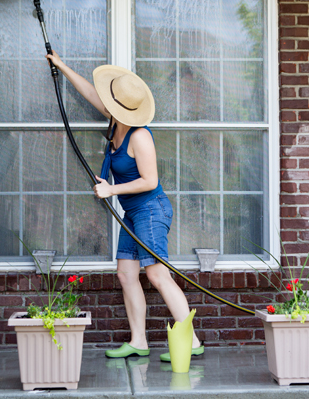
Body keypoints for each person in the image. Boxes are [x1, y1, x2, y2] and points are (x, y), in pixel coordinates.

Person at [45, 51, 203, 361]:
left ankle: (192, 342)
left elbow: (150, 180)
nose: (104, 101)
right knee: (126, 275)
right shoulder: (116, 120)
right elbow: (89, 92)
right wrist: (61, 65)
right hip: (134, 212)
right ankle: (138, 341)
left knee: (157, 275)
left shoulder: (139, 135)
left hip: (151, 209)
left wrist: (111, 189)